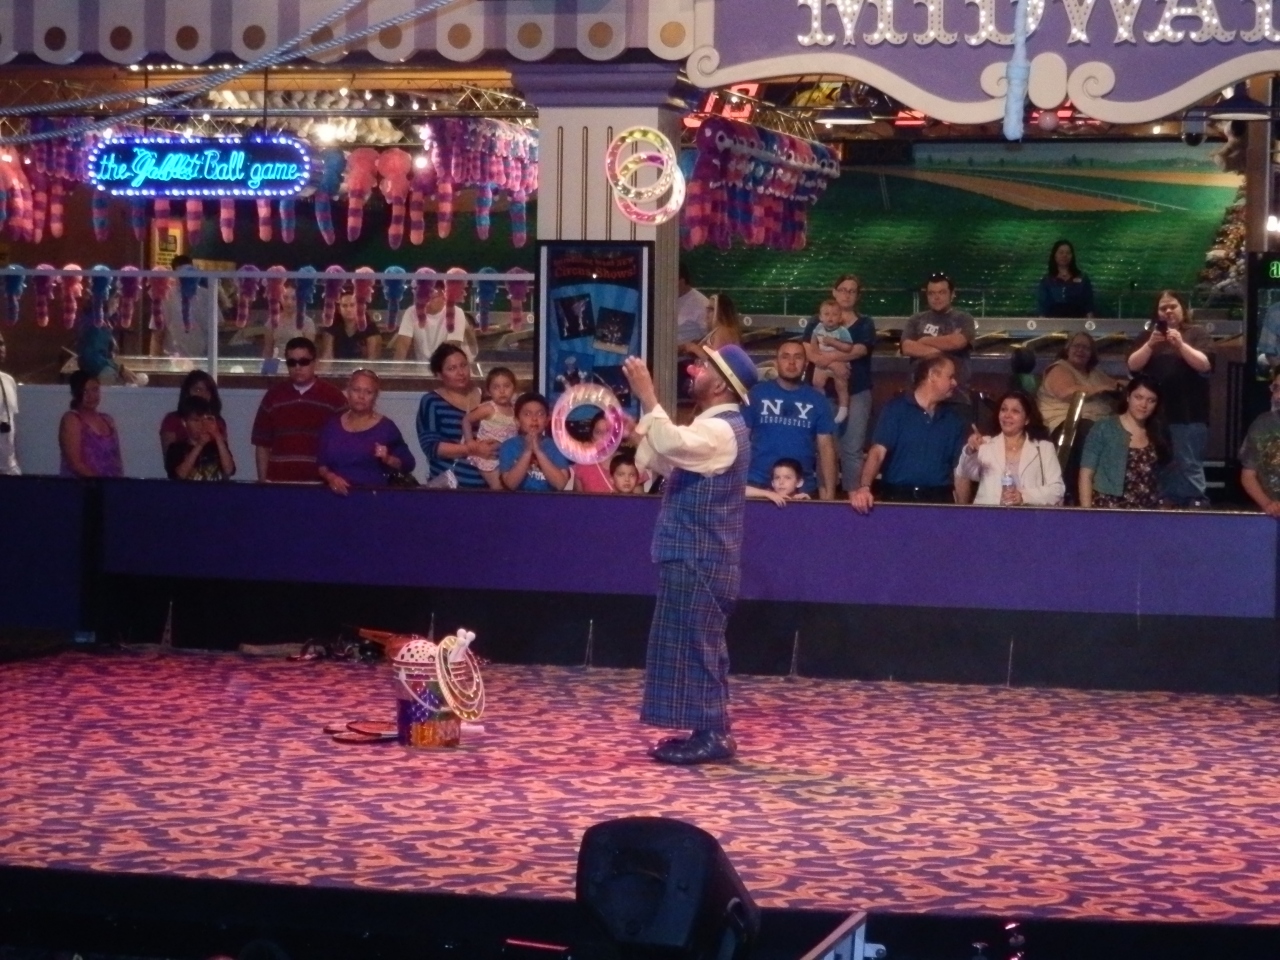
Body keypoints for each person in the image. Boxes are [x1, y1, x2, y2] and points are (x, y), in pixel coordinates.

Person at [622, 344, 757, 765]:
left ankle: (712, 734)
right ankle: (709, 729)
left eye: (705, 367)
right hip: (699, 554)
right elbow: (672, 457)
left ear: (719, 385)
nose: (695, 370)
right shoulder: (715, 428)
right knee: (695, 644)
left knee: (697, 645)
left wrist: (649, 398)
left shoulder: (721, 430)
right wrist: (642, 433)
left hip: (700, 555)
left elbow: (674, 443)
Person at [1126, 290, 1213, 507]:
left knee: (1188, 464)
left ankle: (1195, 507)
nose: (1168, 311)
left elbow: (1205, 365)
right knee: (1160, 464)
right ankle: (1164, 506)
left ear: (1183, 308)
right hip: (1155, 417)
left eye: (1172, 306)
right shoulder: (1147, 337)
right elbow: (1132, 366)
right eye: (1163, 308)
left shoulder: (1196, 333)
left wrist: (1180, 345)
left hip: (1189, 413)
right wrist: (1150, 345)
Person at [849, 354, 967, 513]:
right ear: (933, 375)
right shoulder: (896, 410)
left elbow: (959, 470)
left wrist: (963, 510)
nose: (955, 383)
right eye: (950, 377)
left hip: (938, 499)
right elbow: (877, 452)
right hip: (898, 497)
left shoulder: (953, 420)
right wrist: (864, 487)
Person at [802, 274, 876, 491]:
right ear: (834, 292)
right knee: (825, 447)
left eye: (852, 291)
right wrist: (834, 365)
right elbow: (809, 351)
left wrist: (830, 358)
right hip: (823, 393)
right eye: (843, 289)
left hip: (857, 392)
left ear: (858, 296)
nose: (847, 294)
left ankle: (853, 496)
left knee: (852, 449)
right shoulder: (817, 321)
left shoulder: (865, 323)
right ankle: (827, 498)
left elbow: (860, 350)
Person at [743, 340, 836, 499]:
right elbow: (741, 440)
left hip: (801, 490)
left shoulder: (818, 400)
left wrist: (830, 495)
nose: (791, 362)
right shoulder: (756, 394)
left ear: (806, 363)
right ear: (776, 362)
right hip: (757, 485)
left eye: (797, 357)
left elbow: (826, 449)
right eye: (785, 357)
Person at [250, 336, 346, 482]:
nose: (298, 367)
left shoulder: (334, 398)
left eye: (304, 362)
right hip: (279, 482)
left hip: (320, 484)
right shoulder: (272, 397)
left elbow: (345, 444)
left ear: (315, 362)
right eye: (292, 362)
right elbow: (262, 445)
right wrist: (264, 483)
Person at [955, 391, 1064, 506]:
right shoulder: (985, 444)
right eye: (1003, 409)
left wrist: (1024, 496)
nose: (1007, 415)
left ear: (1027, 419)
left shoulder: (1044, 448)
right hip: (988, 514)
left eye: (1015, 411)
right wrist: (970, 450)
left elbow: (1057, 489)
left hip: (1028, 515)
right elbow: (964, 473)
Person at [317, 369, 415, 494]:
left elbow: (408, 464)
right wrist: (331, 478)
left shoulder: (386, 428)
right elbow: (321, 464)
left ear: (375, 396)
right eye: (356, 390)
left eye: (368, 392)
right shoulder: (332, 425)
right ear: (348, 392)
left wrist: (388, 459)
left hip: (373, 497)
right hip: (334, 496)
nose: (361, 396)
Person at [1079, 376, 1170, 510]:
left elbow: (1164, 478)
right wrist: (1087, 513)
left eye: (1151, 400)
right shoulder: (1104, 427)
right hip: (1109, 508)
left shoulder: (1158, 432)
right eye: (1138, 397)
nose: (1143, 405)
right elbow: (1086, 474)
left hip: (1147, 509)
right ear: (1128, 397)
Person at [415, 342, 493, 489]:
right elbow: (431, 447)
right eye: (452, 368)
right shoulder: (432, 401)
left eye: (463, 365)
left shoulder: (488, 398)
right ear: (439, 375)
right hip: (448, 488)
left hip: (488, 487)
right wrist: (472, 449)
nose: (460, 372)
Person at [900, 272, 976, 415]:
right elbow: (907, 347)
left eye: (942, 292)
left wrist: (924, 341)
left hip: (955, 398)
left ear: (952, 294)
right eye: (932, 293)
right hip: (919, 398)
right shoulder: (915, 320)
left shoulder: (964, 319)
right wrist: (940, 352)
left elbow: (957, 342)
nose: (936, 297)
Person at [1037, 332, 1125, 433]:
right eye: (1076, 346)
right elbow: (1066, 393)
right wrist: (1099, 389)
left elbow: (1114, 384)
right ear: (1067, 349)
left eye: (1086, 348)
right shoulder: (1059, 369)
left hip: (1099, 423)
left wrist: (1132, 386)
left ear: (1091, 353)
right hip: (1067, 426)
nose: (1080, 350)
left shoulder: (1094, 373)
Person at [498, 393, 571, 491]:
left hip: (548, 499)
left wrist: (538, 451)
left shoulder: (556, 446)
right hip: (517, 500)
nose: (534, 419)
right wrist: (528, 451)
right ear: (517, 420)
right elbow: (510, 484)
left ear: (547, 420)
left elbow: (560, 484)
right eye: (527, 414)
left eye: (540, 414)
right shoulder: (508, 446)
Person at [391, 279, 477, 363]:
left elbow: (452, 346)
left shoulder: (456, 312)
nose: (426, 302)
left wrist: (434, 368)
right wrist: (395, 369)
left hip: (446, 366)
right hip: (422, 367)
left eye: (432, 298)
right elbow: (403, 345)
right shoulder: (411, 312)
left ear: (444, 295)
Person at [462, 367, 519, 490]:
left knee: (512, 484)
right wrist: (470, 441)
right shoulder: (488, 408)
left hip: (507, 455)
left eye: (506, 386)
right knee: (498, 486)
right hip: (488, 456)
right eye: (496, 387)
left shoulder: (516, 410)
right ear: (488, 391)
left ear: (514, 388)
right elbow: (467, 420)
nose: (502, 391)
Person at [58, 371, 123, 478]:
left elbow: (117, 460)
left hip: (110, 484)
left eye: (95, 390)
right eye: (85, 391)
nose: (91, 396)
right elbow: (75, 464)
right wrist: (100, 483)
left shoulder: (108, 420)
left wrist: (118, 483)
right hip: (81, 485)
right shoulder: (71, 420)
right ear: (76, 393)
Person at [152, 255, 217, 359]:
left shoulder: (207, 295)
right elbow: (157, 334)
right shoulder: (165, 296)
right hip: (173, 359)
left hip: (202, 359)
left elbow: (216, 330)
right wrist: (154, 363)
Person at [1238, 366, 1280, 517]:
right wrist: (1268, 504)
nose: (1278, 395)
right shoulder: (1261, 425)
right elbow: (1248, 475)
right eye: (1276, 388)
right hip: (1271, 516)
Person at [164, 395, 235, 481]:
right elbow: (179, 475)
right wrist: (199, 445)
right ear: (184, 422)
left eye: (205, 420)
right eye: (196, 420)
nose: (201, 425)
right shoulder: (176, 448)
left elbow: (229, 470)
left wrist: (217, 436)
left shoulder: (217, 446)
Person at [806, 298, 854, 423]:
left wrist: (833, 342)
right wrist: (816, 351)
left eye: (834, 314)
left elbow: (848, 347)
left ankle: (843, 408)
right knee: (816, 382)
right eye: (826, 314)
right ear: (821, 317)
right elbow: (813, 339)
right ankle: (821, 404)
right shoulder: (819, 327)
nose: (830, 317)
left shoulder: (842, 331)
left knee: (841, 385)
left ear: (840, 317)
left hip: (838, 360)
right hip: (823, 360)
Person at [159, 370, 228, 457]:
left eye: (207, 390)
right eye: (198, 390)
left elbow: (225, 458)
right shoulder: (172, 420)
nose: (203, 394)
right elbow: (169, 459)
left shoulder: (217, 422)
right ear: (187, 393)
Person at [1037, 240, 1096, 319]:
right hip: (1054, 323)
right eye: (1061, 252)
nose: (1064, 255)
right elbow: (1042, 308)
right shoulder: (1047, 281)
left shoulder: (1083, 278)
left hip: (1078, 323)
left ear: (1072, 256)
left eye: (1068, 253)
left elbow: (1089, 306)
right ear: (1054, 255)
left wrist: (1090, 323)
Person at [319, 288, 382, 362]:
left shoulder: (371, 328)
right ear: (339, 309)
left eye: (352, 305)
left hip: (362, 368)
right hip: (338, 368)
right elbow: (327, 357)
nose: (348, 309)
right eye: (344, 306)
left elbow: (372, 360)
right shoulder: (331, 327)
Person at [263, 281, 318, 362]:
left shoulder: (307, 323)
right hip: (276, 366)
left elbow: (309, 353)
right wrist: (265, 368)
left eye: (294, 298)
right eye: (285, 298)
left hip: (298, 365)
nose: (289, 302)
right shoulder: (272, 321)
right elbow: (268, 350)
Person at [676, 263, 711, 352]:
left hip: (686, 357)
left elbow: (709, 337)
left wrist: (685, 347)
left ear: (681, 282)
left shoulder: (701, 303)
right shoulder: (665, 300)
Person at [0, 331, 19, 475]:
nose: (1, 348)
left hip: (10, 467)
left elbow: (12, 422)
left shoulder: (9, 380)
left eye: (2, 343)